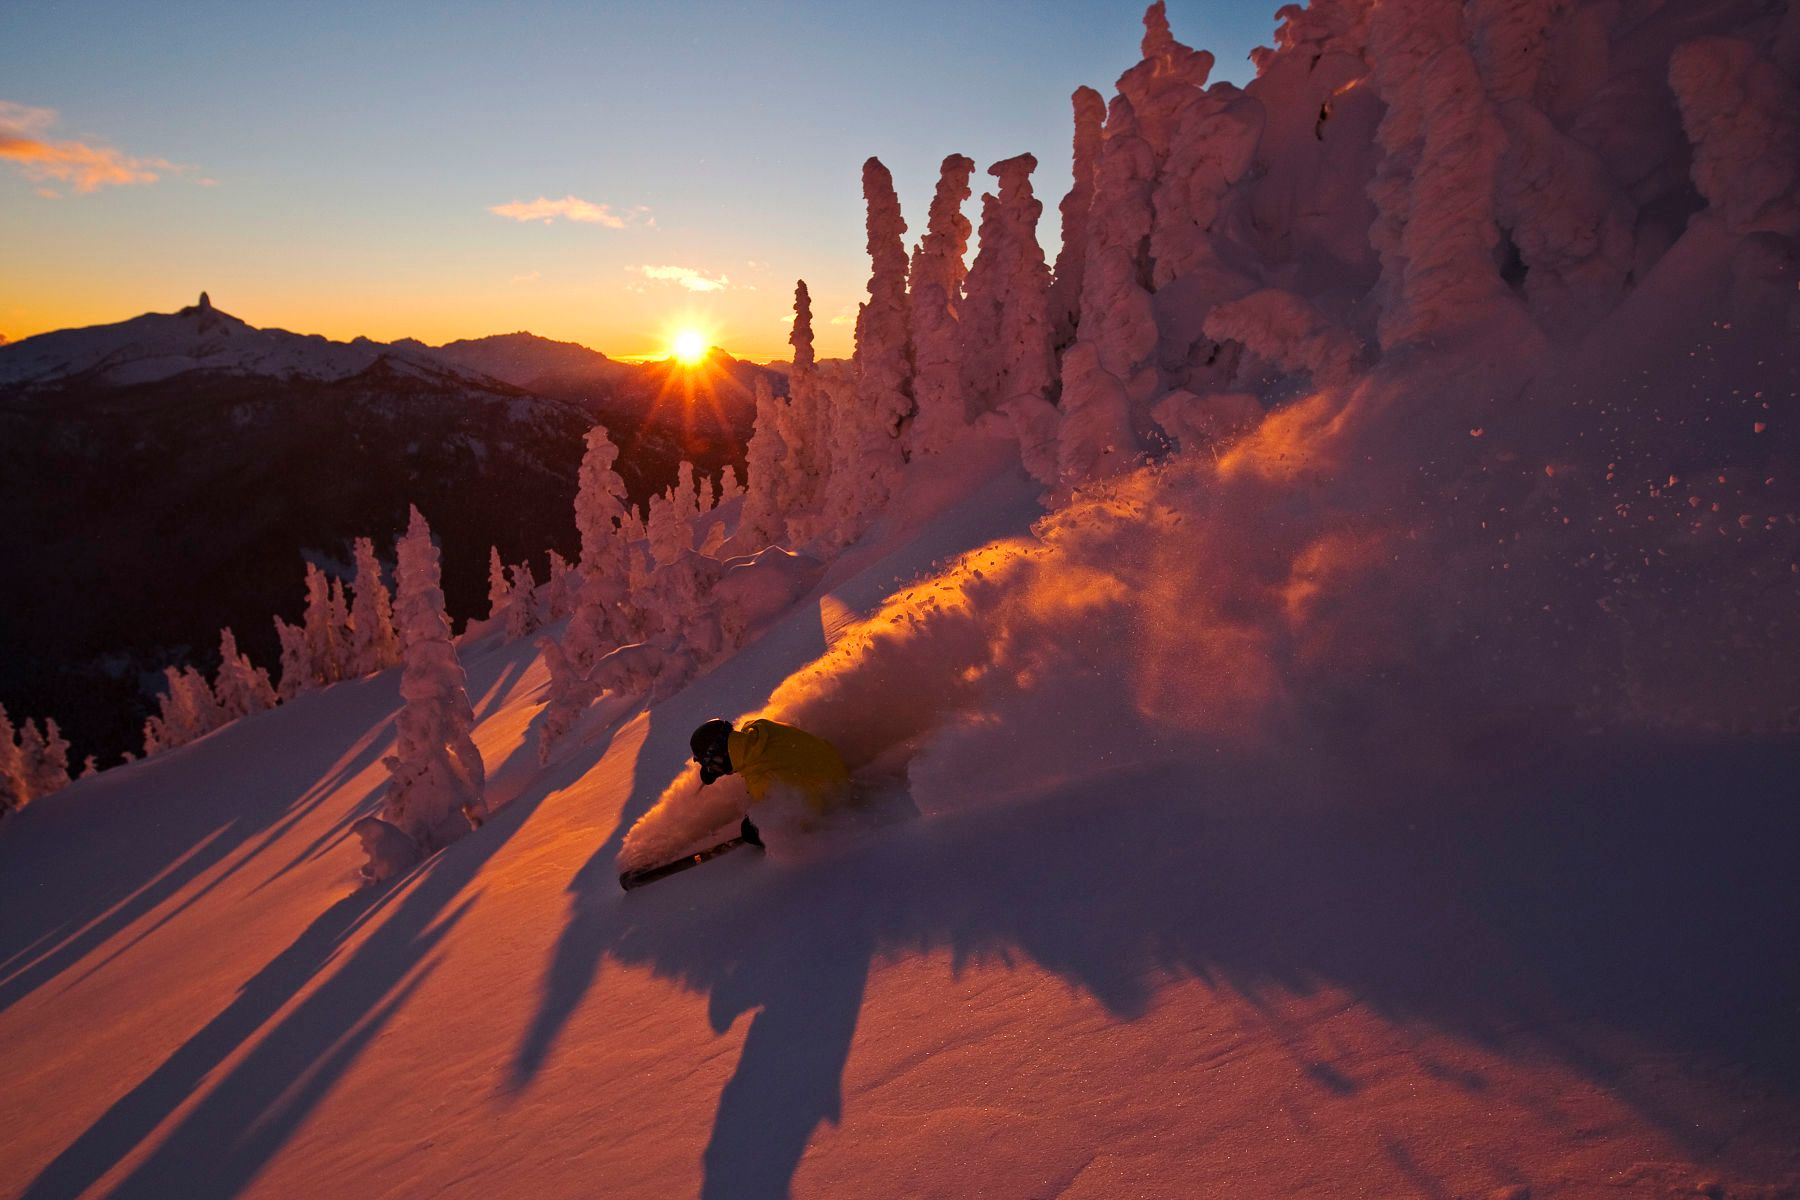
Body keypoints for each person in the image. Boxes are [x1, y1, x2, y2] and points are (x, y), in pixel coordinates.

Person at [689, 717, 852, 820]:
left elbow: (795, 820)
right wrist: (718, 766)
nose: (712, 768)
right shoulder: (759, 727)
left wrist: (756, 829)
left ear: (720, 755)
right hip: (833, 761)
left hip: (838, 794)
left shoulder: (761, 780)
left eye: (710, 763)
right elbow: (739, 750)